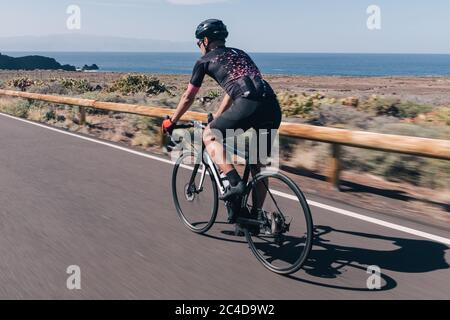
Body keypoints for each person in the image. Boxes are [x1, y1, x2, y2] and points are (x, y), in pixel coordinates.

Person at [162, 19, 282, 220]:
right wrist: (217, 116)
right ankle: (255, 217)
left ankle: (235, 183)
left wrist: (172, 121)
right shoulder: (240, 54)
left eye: (199, 42)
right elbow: (232, 89)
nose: (199, 46)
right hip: (271, 107)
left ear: (206, 40)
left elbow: (188, 97)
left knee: (209, 135)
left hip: (248, 105)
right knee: (257, 164)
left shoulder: (204, 61)